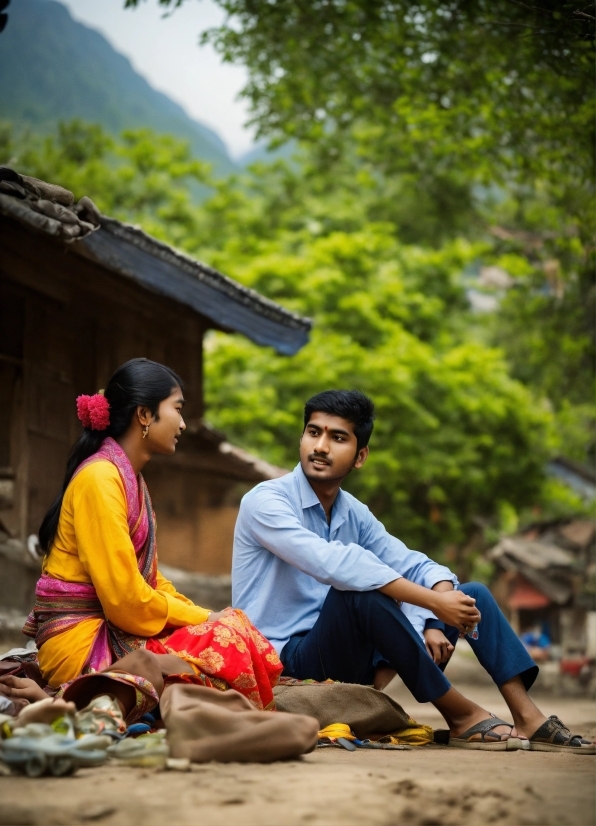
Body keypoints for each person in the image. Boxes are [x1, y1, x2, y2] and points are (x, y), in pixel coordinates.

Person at [232, 390, 595, 753]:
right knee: (358, 593)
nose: (321, 446)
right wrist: (434, 606)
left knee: (474, 593)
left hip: (350, 660)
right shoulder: (266, 501)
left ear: (360, 457)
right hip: (285, 661)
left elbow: (415, 564)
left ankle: (527, 716)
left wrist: (436, 613)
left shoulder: (352, 511)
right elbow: (338, 566)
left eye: (337, 437)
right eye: (314, 432)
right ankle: (459, 715)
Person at [20, 358, 282, 712]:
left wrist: (205, 613)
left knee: (233, 627)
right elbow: (127, 603)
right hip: (83, 641)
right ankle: (79, 695)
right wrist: (204, 620)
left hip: (116, 626)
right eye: (177, 409)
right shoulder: (99, 479)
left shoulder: (129, 478)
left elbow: (151, 582)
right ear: (144, 415)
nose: (184, 423)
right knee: (223, 643)